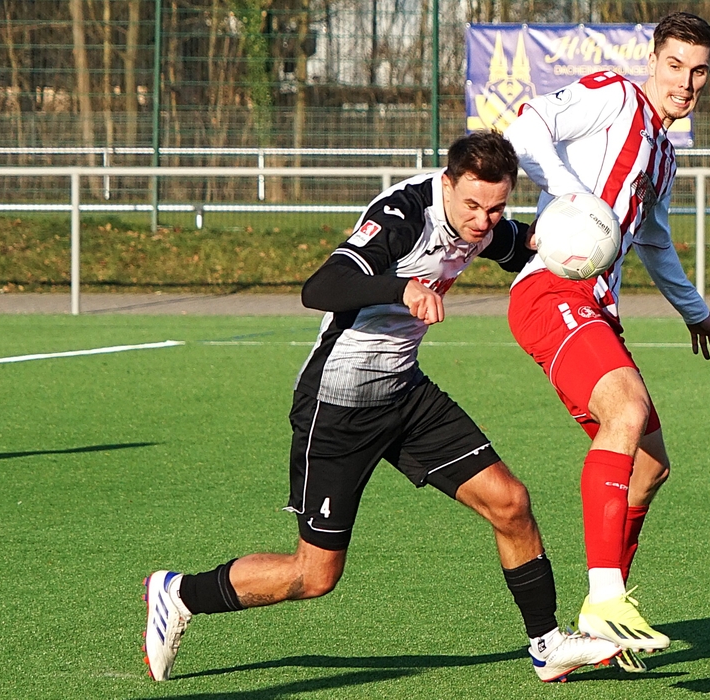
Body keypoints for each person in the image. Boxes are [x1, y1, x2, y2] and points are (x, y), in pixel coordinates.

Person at [142, 130, 622, 684]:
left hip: (405, 393)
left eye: (495, 208)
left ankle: (547, 644)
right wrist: (402, 288)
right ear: (448, 184)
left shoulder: (484, 222)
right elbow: (322, 287)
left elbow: (518, 244)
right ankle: (179, 594)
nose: (483, 221)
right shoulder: (402, 215)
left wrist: (566, 240)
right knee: (315, 575)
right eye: (472, 205)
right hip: (339, 403)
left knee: (509, 502)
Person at [503, 12, 710, 672]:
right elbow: (525, 127)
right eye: (675, 65)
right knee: (624, 411)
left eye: (699, 71)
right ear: (652, 60)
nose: (685, 82)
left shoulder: (664, 154)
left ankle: (598, 630)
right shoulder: (614, 96)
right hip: (551, 291)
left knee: (651, 467)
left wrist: (696, 313)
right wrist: (572, 195)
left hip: (597, 311)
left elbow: (654, 240)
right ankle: (606, 598)